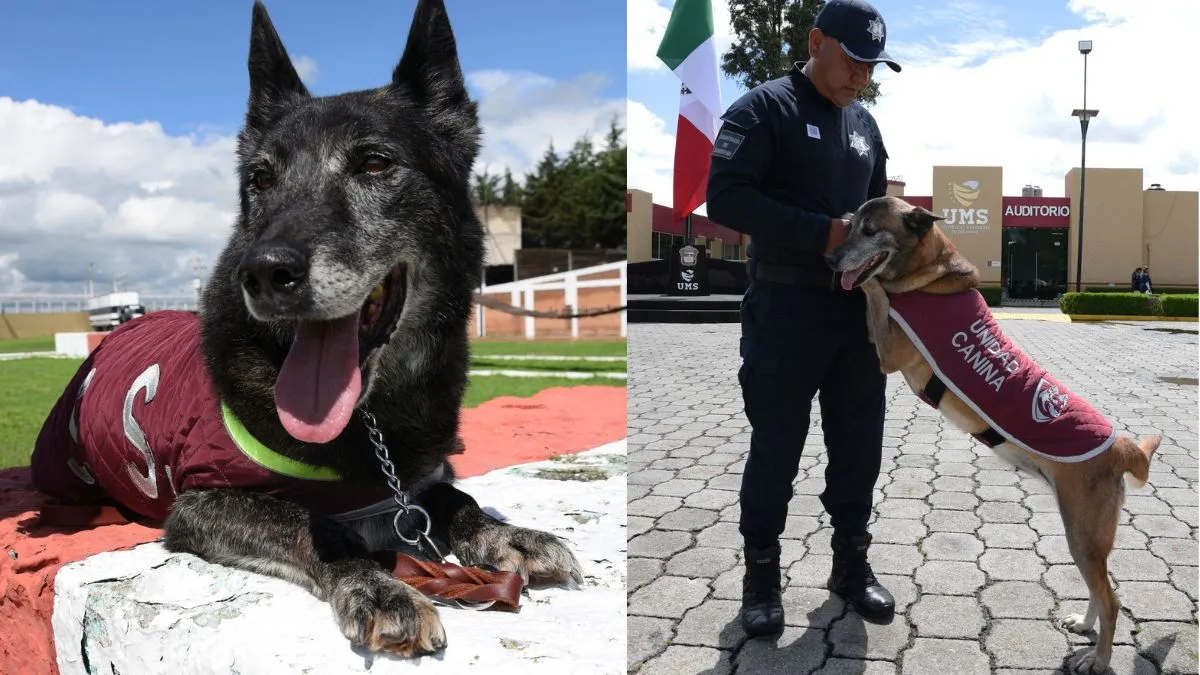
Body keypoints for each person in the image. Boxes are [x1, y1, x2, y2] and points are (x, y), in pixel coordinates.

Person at [705, 0, 901, 637]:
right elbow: (726, 197)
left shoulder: (866, 126)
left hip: (856, 318)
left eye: (872, 66)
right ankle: (761, 575)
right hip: (785, 311)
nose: (862, 77)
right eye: (853, 61)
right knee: (776, 451)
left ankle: (851, 565)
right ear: (817, 41)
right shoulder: (763, 108)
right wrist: (823, 234)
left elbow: (878, 213)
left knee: (859, 449)